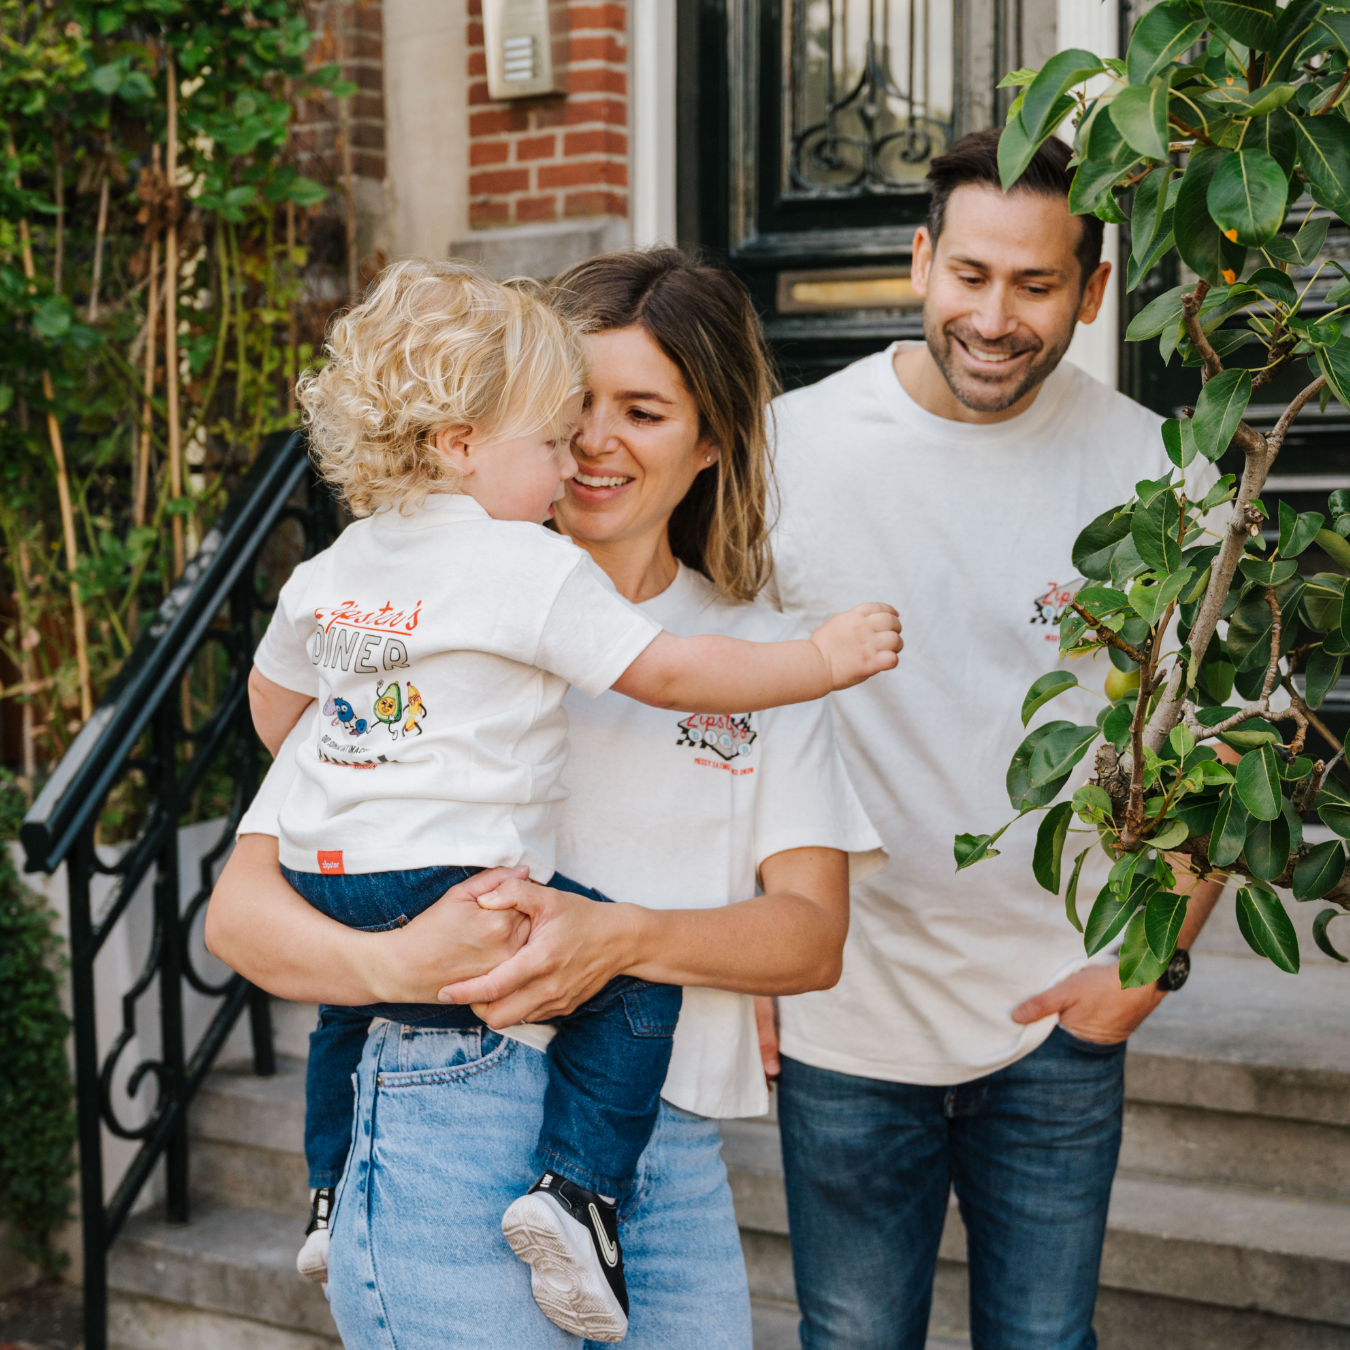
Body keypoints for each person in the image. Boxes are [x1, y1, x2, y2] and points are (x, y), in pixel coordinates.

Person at [206, 247, 887, 1350]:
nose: (590, 443)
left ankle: (381, 1190)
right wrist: (402, 965)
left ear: (712, 439)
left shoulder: (759, 656)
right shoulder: (425, 627)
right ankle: (337, 1188)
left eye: (641, 411)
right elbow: (241, 913)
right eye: (571, 408)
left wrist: (615, 940)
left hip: (664, 1146)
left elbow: (808, 941)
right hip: (456, 1103)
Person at [762, 128, 1228, 1349]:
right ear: (920, 261)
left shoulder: (1160, 471)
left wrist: (1150, 964)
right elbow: (723, 714)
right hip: (847, 1016)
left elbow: (1232, 740)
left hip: (1055, 1020)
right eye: (971, 275)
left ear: (1094, 288)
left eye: (1036, 284)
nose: (996, 316)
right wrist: (739, 949)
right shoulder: (786, 449)